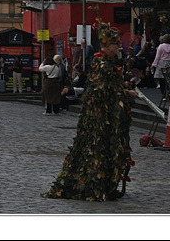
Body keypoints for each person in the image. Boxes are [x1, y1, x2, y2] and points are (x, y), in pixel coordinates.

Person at [44, 24, 136, 202]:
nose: (118, 47)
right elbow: (102, 89)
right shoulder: (102, 64)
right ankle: (96, 185)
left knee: (108, 150)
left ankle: (107, 185)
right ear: (106, 45)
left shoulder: (108, 63)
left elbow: (110, 86)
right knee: (97, 151)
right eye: (115, 44)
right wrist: (125, 93)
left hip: (108, 116)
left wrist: (123, 90)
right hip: (99, 117)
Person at [151, 33, 170, 106]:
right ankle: (169, 92)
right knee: (169, 79)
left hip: (162, 63)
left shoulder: (161, 46)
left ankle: (164, 94)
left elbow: (157, 56)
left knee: (161, 79)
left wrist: (153, 64)